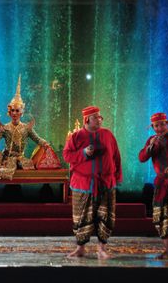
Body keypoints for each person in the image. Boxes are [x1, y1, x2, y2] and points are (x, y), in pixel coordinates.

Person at [63, 106, 122, 259]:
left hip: (106, 183)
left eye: (100, 117)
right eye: (96, 117)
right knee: (81, 217)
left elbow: (116, 157)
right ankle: (80, 248)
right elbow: (67, 156)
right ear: (87, 119)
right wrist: (83, 153)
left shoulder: (108, 135)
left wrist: (117, 177)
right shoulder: (76, 137)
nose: (100, 119)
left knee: (106, 216)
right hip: (83, 184)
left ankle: (102, 249)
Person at [138, 112, 168, 260]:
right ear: (152, 127)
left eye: (162, 124)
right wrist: (151, 147)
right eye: (156, 125)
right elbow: (142, 158)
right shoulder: (152, 140)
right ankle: (167, 250)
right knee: (161, 218)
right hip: (161, 184)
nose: (159, 128)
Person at [0, 75, 52, 179]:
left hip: (22, 159)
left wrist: (45, 143)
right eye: (12, 111)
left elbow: (37, 139)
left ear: (21, 112)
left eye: (17, 110)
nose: (14, 113)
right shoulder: (5, 128)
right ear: (9, 112)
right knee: (3, 175)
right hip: (7, 159)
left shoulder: (26, 128)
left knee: (29, 174)